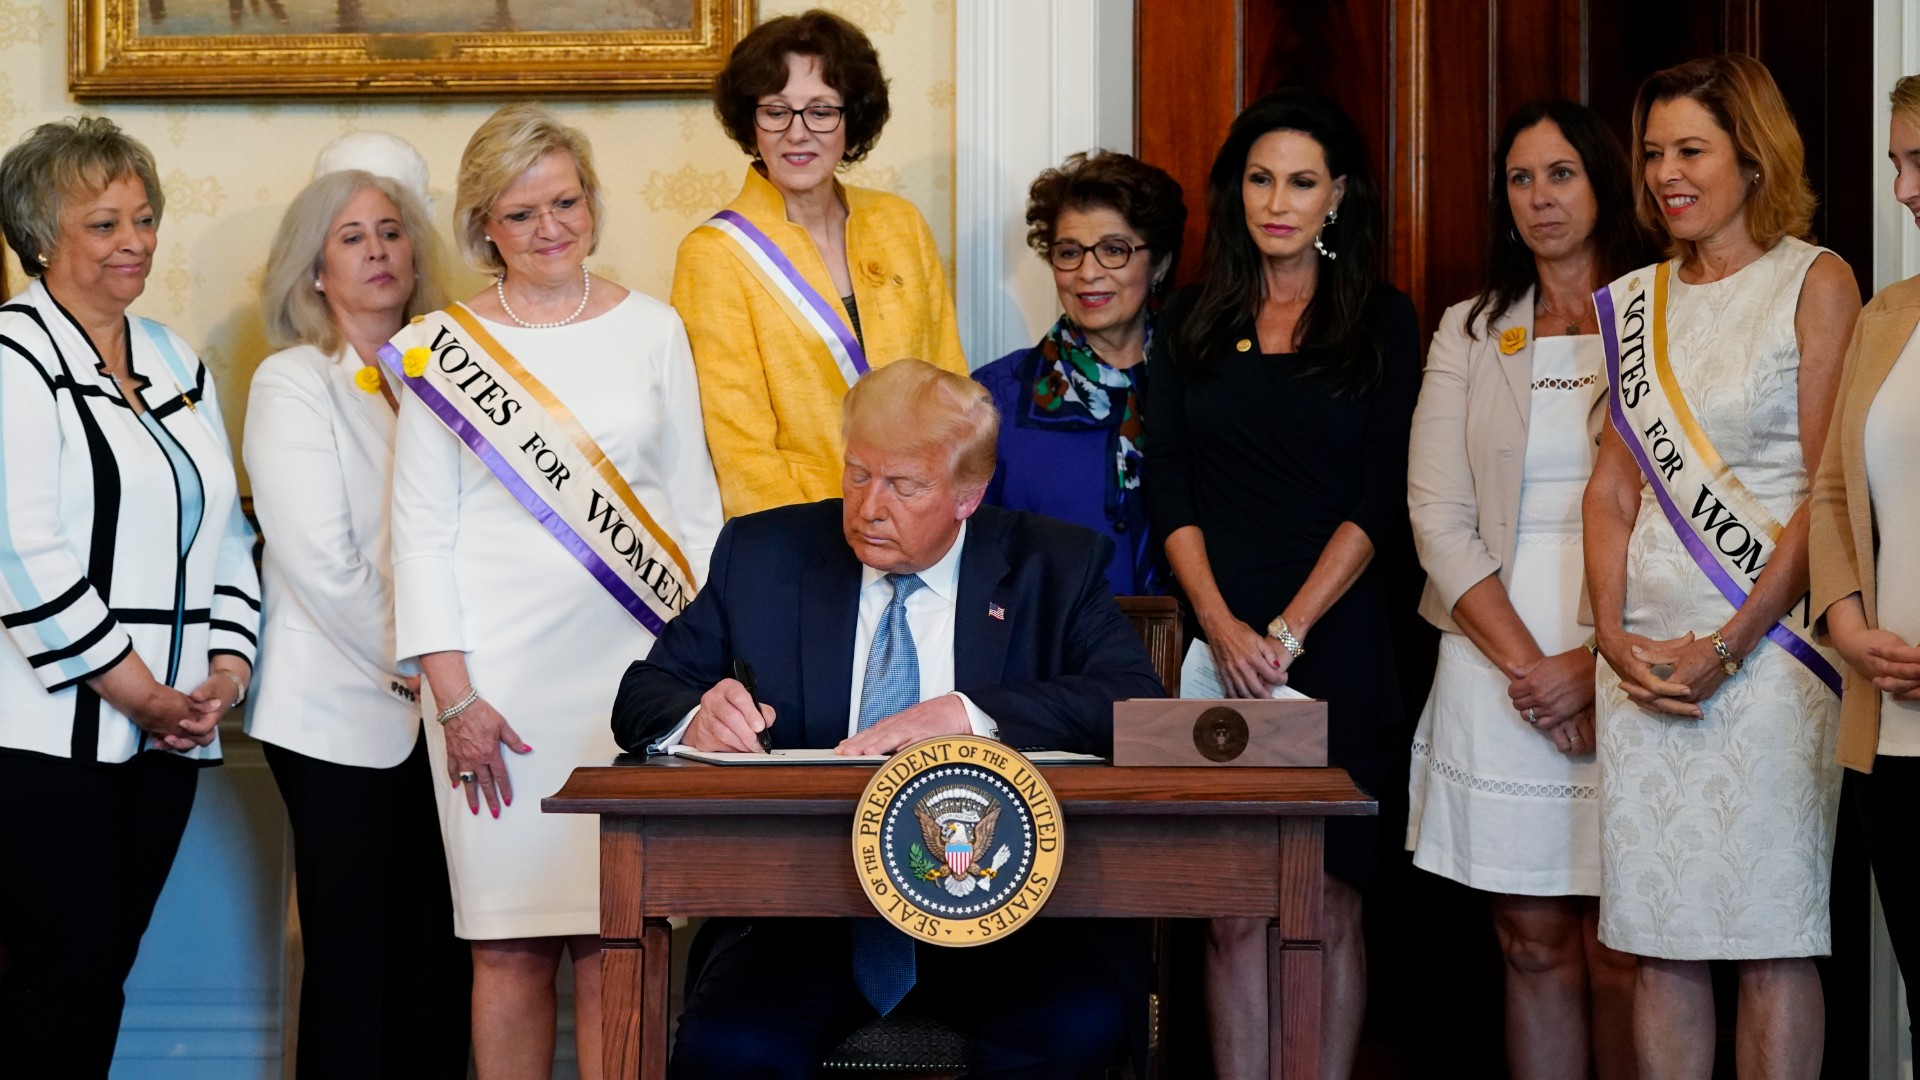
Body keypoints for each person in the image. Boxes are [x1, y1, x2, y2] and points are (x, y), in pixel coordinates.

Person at [612, 358, 1164, 1079]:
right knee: (731, 1047)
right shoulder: (766, 556)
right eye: (858, 474)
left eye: (904, 485)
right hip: (805, 915)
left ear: (968, 494)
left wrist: (972, 713)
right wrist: (694, 718)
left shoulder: (1052, 565)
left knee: (1070, 1032)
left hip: (1014, 919)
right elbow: (642, 695)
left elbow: (1135, 703)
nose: (870, 507)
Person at [389, 103, 723, 1079]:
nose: (550, 228)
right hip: (494, 692)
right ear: (483, 224)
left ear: (593, 203)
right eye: (523, 212)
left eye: (566, 202)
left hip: (633, 683)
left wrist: (696, 675)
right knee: (508, 944)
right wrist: (454, 698)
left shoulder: (655, 330)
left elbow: (693, 517)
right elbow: (421, 531)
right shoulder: (438, 348)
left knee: (623, 934)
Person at [1584, 54, 1860, 1078]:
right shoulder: (1636, 300)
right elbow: (1612, 489)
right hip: (1644, 660)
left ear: (1753, 155)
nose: (1665, 173)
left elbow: (1827, 490)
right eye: (1653, 153)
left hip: (1772, 657)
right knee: (1659, 939)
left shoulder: (1815, 278)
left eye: (1690, 149)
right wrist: (1611, 636)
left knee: (1773, 935)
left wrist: (1727, 645)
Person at [1144, 88, 1421, 1079]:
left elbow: (1378, 500)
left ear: (1336, 195)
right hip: (1218, 644)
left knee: (1331, 901)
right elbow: (1168, 489)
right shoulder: (1186, 323)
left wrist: (1289, 631)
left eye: (1302, 181)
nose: (1278, 200)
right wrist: (1221, 628)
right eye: (1261, 178)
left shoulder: (1383, 321)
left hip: (1335, 641)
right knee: (1231, 908)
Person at [0, 117, 260, 1076]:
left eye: (143, 219)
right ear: (38, 238)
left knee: (100, 974)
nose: (136, 241)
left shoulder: (173, 358)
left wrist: (224, 672)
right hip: (43, 739)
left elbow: (224, 534)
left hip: (171, 734)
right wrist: (137, 690)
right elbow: (20, 550)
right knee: (56, 975)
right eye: (104, 223)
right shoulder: (11, 355)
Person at [1405, 100, 1655, 1080]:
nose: (1541, 197)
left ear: (1602, 184)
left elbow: (1685, 516)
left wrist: (1591, 670)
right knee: (1531, 938)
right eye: (1520, 177)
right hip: (1494, 661)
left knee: (1627, 945)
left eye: (1561, 173)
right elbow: (1435, 515)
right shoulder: (1472, 329)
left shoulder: (1660, 314)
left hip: (1633, 660)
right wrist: (1534, 674)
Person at [243, 151, 471, 1076]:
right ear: (314, 268)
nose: (378, 251)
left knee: (442, 953)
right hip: (338, 712)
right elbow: (321, 563)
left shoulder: (458, 374)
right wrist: (431, 664)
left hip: (453, 720)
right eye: (351, 237)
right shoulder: (293, 380)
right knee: (351, 960)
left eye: (391, 232)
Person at [673, 8, 967, 519]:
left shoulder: (900, 223)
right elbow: (741, 450)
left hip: (923, 524)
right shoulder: (713, 254)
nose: (797, 132)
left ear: (852, 119)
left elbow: (951, 390)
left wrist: (936, 519)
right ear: (752, 121)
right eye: (776, 110)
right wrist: (827, 539)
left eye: (821, 110)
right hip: (803, 537)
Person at [1810, 73, 1920, 1038]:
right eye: (1895, 161)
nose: (1904, 186)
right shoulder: (1888, 315)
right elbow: (1838, 491)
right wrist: (1845, 619)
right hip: (1889, 725)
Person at [972, 151, 1186, 596]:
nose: (1088, 273)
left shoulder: (1204, 383)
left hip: (1206, 656)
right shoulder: (995, 399)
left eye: (1114, 250)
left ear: (1159, 263)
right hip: (1055, 658)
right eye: (1069, 252)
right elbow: (973, 566)